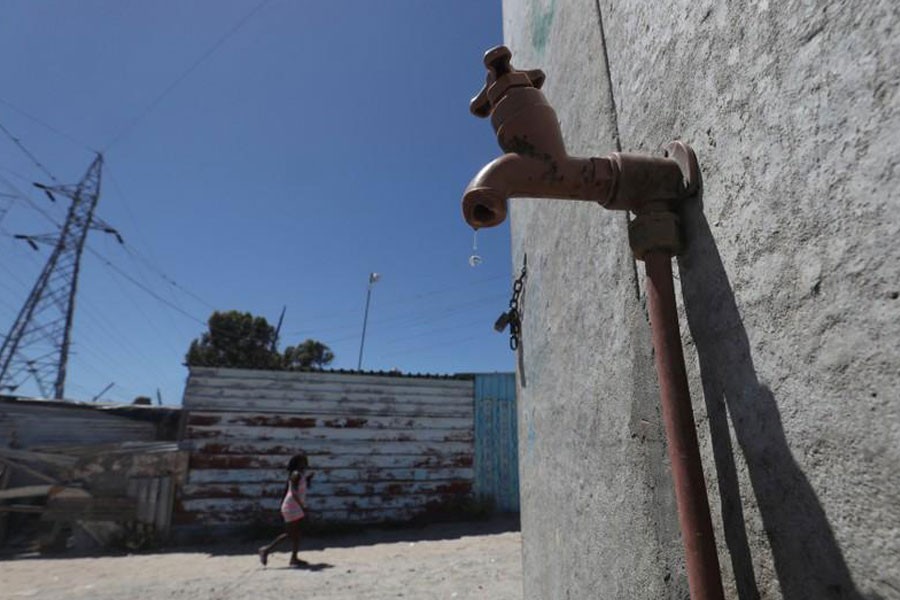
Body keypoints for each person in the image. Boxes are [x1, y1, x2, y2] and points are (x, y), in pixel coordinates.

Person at [259, 463, 310, 567]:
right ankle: (266, 549)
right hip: (292, 507)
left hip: (294, 506)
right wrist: (302, 506)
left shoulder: (298, 475)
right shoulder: (296, 474)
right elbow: (294, 493)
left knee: (297, 534)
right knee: (291, 533)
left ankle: (294, 558)